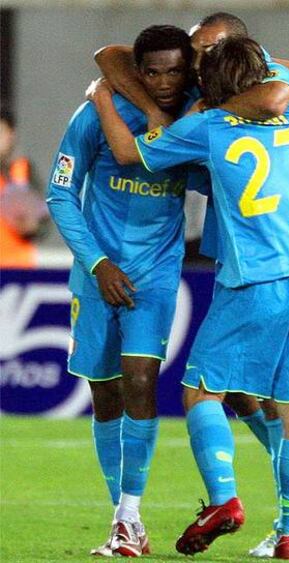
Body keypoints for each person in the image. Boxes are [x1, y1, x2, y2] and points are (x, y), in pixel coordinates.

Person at [86, 36, 289, 560]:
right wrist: (274, 70)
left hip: (256, 277)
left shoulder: (207, 128)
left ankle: (222, 501)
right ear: (262, 74)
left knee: (201, 391)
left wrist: (102, 98)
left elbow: (128, 152)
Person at [46, 25, 201, 558]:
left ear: (189, 71)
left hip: (156, 273)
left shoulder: (195, 120)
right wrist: (97, 262)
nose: (164, 82)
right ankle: (124, 519)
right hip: (97, 274)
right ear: (137, 71)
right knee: (105, 391)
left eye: (174, 71)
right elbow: (60, 193)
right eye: (153, 71)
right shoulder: (95, 115)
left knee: (140, 378)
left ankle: (129, 514)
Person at [0, 109, 48, 268]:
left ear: (11, 134)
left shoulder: (24, 170)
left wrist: (31, 226)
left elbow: (43, 224)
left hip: (16, 270)